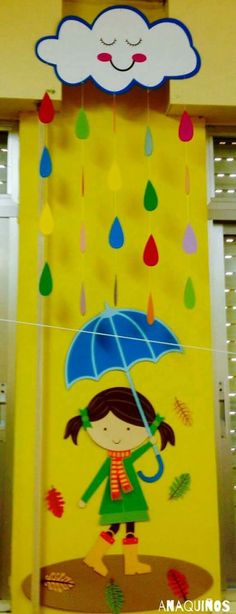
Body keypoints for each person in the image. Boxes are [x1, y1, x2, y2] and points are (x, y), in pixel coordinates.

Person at [64, 386, 175, 576]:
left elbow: (138, 452)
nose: (116, 436)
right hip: (115, 497)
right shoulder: (112, 461)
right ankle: (94, 557)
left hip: (131, 497)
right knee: (115, 526)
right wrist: (85, 497)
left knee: (130, 527)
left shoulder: (127, 458)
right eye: (105, 428)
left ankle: (130, 564)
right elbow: (99, 478)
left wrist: (151, 439)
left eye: (129, 428)